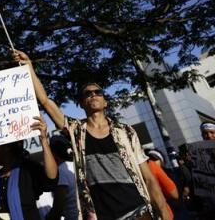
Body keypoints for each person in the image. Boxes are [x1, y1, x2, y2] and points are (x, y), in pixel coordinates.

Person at [13, 50, 172, 220]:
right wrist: (29, 67)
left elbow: (148, 178)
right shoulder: (76, 130)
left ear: (105, 101)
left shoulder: (126, 132)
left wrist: (163, 211)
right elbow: (45, 101)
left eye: (98, 92)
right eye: (88, 94)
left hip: (138, 212)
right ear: (82, 103)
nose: (93, 95)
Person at [46, 135, 78, 220]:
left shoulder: (61, 171)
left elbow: (58, 205)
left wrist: (49, 217)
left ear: (54, 153)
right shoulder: (77, 166)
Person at [145, 150, 176, 219]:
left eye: (155, 159)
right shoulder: (153, 167)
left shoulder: (167, 172)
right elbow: (175, 194)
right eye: (150, 159)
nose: (153, 161)